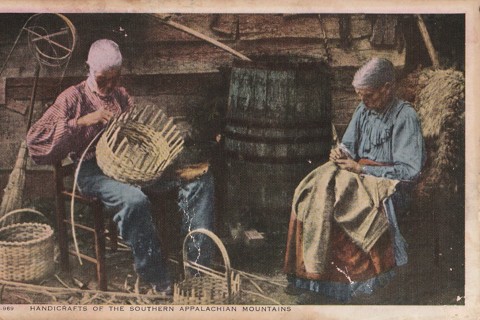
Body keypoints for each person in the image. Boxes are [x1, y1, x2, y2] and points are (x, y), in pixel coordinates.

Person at [26, 39, 215, 296]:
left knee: (199, 181)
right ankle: (157, 276)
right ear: (89, 69)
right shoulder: (73, 97)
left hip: (132, 166)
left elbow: (137, 133)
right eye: (103, 80)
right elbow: (35, 140)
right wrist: (81, 122)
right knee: (134, 200)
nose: (110, 86)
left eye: (115, 79)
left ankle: (198, 270)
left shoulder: (121, 96)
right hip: (92, 169)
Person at [284, 57, 426, 303]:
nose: (363, 101)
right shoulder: (364, 109)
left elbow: (410, 171)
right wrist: (341, 153)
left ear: (387, 88)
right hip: (357, 172)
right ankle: (310, 279)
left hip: (390, 184)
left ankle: (351, 288)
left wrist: (360, 170)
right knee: (316, 188)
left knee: (343, 200)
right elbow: (349, 145)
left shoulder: (405, 117)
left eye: (369, 95)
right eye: (360, 95)